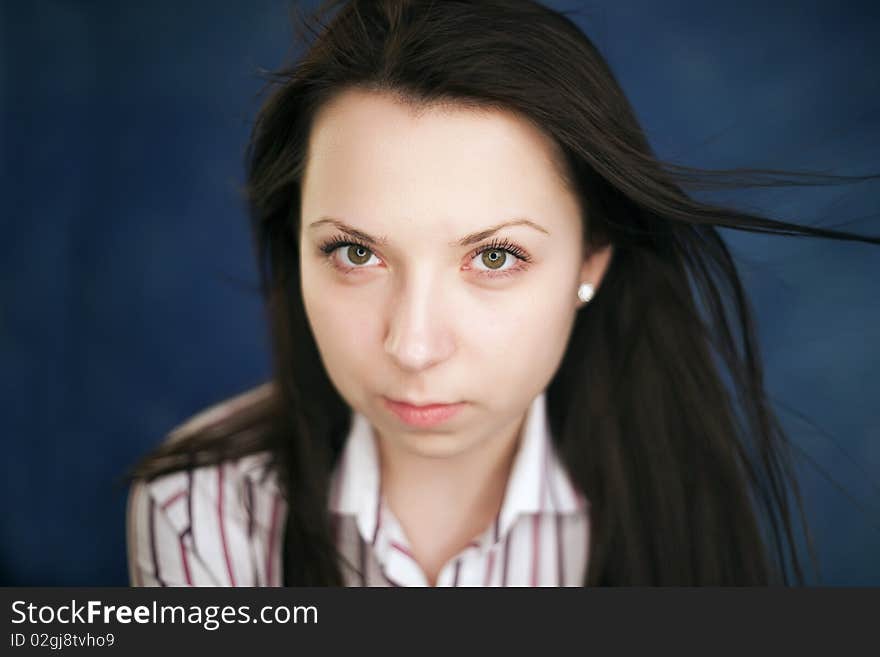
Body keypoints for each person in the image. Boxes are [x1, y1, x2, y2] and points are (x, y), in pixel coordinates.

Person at [124, 0, 879, 586]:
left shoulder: (679, 507)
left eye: (494, 256)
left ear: (591, 261)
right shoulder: (200, 512)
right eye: (355, 251)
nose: (413, 344)